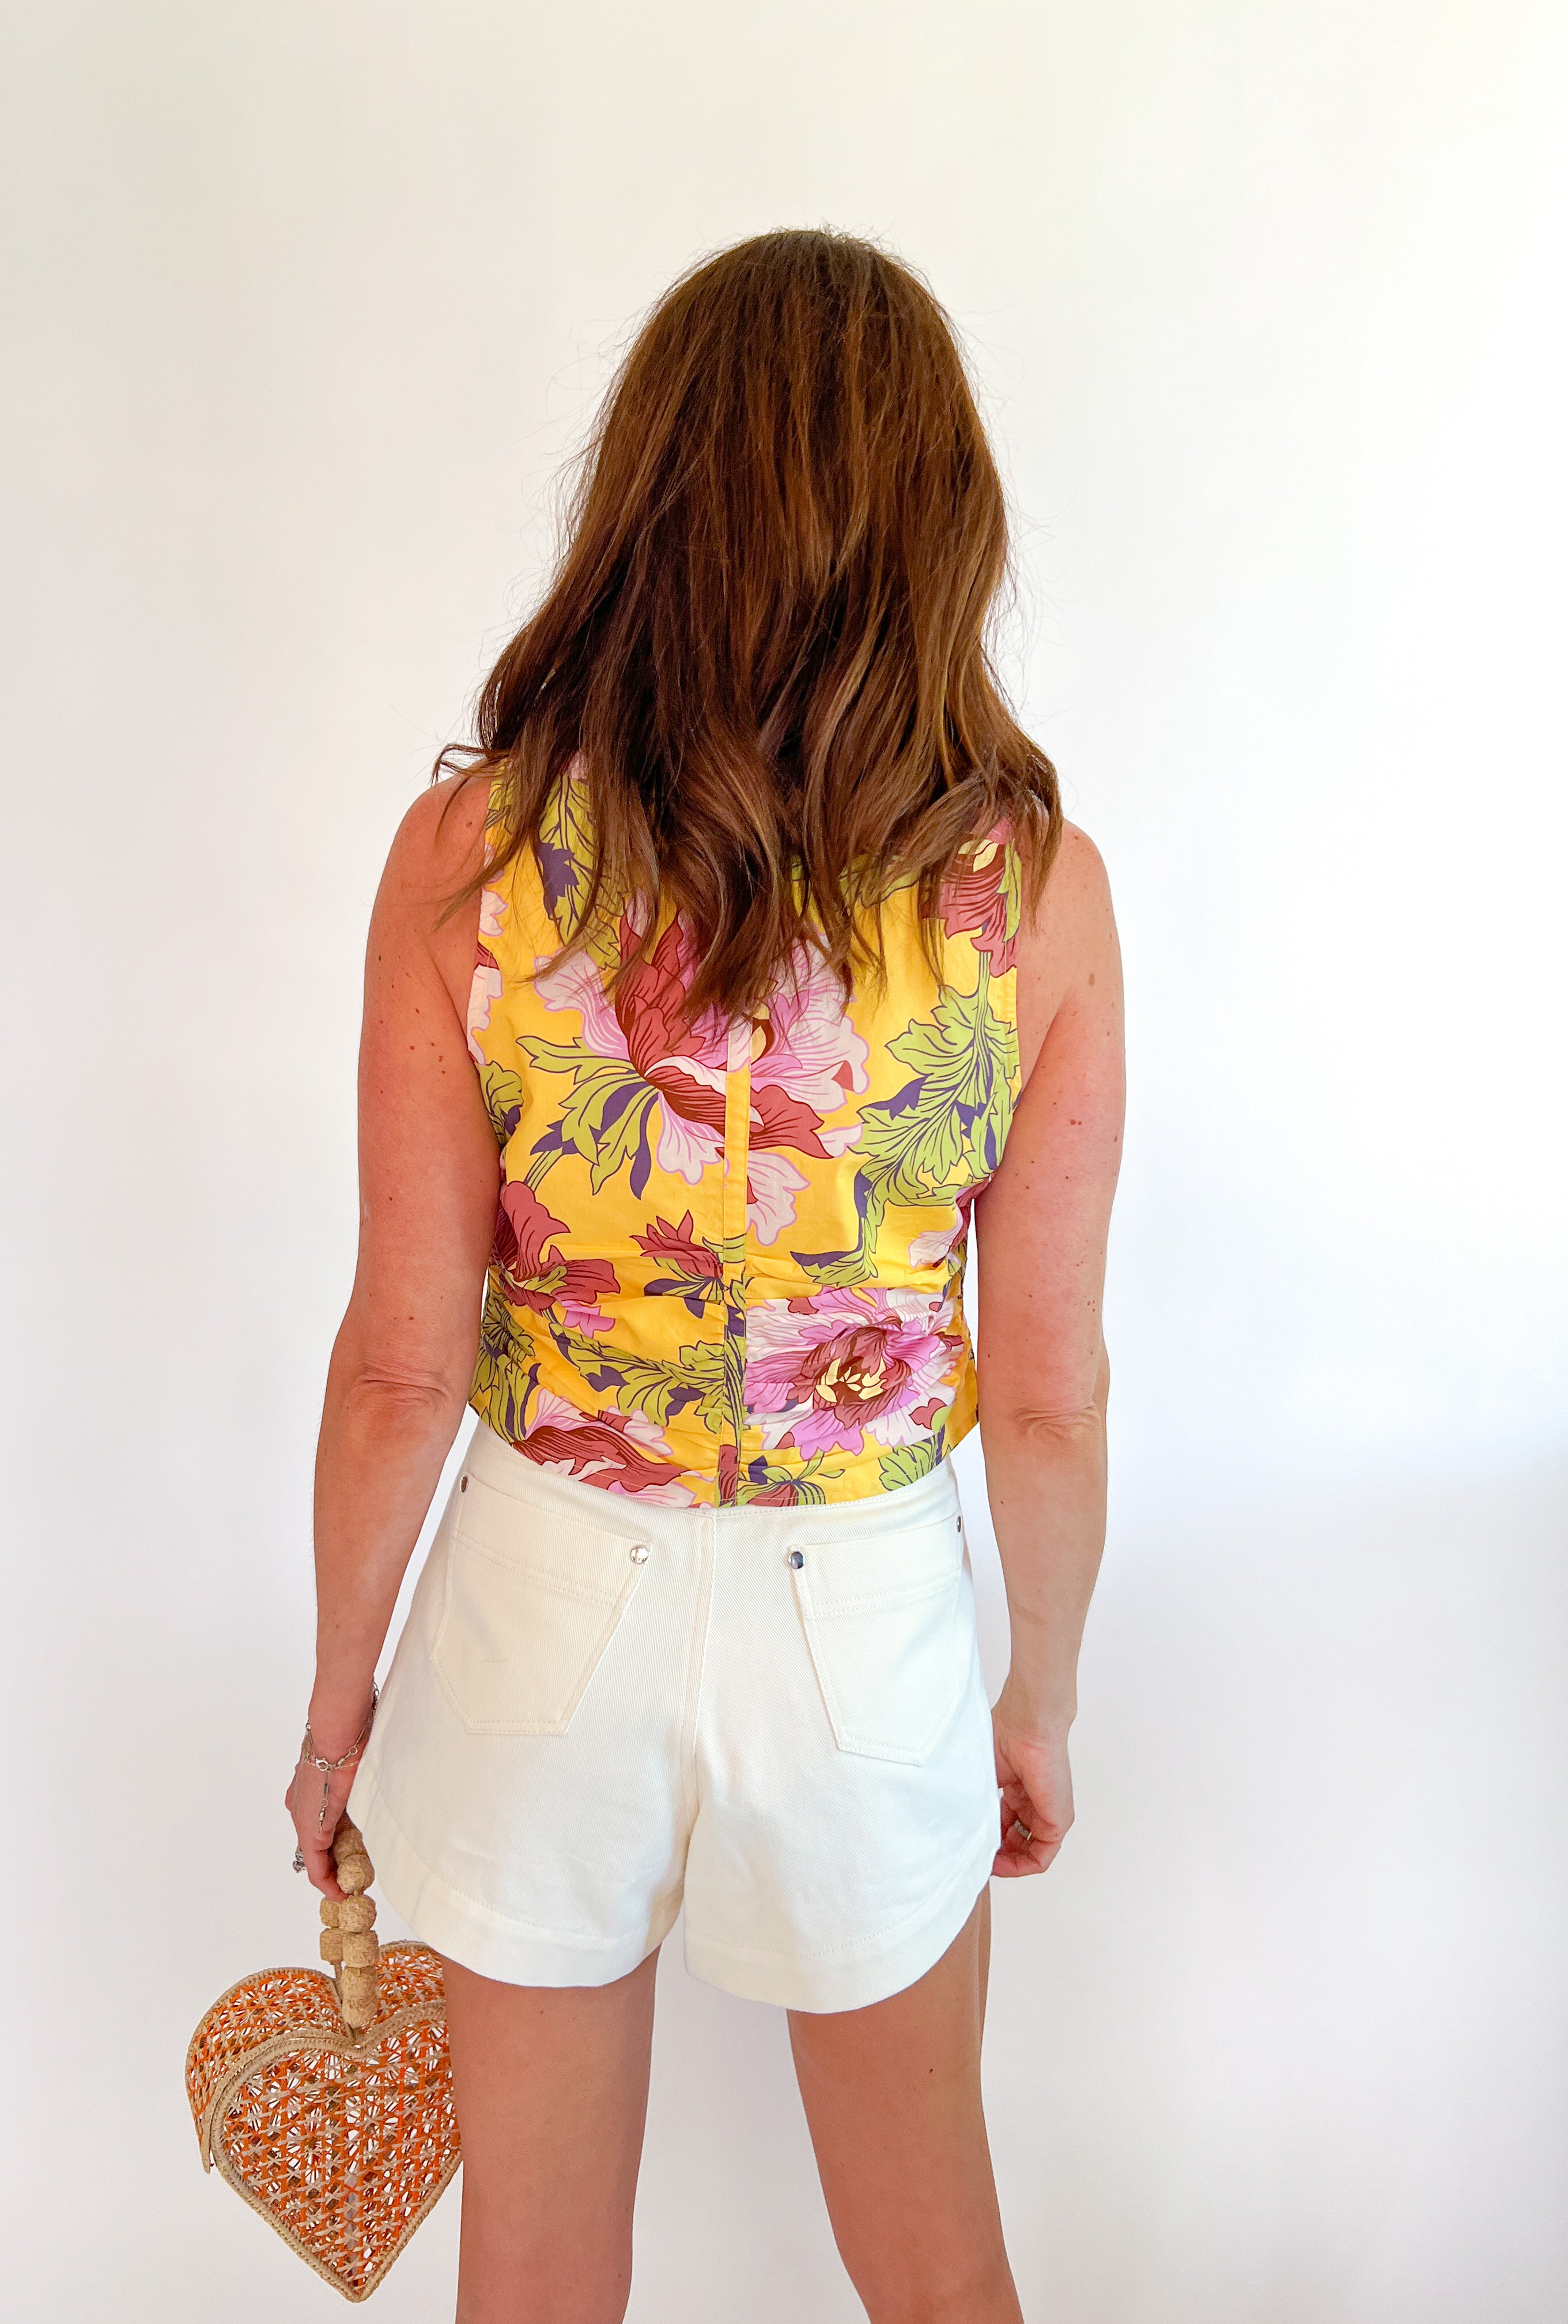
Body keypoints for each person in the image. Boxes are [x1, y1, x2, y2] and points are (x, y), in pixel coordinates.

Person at [286, 228, 1124, 2324]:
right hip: (871, 1625)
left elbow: (401, 1362)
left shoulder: (474, 863)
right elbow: (1044, 1392)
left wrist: (338, 1699)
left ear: (648, 496)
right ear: (941, 522)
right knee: (942, 2271)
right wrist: (1036, 1698)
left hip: (543, 1594)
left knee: (536, 2279)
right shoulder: (1029, 897)